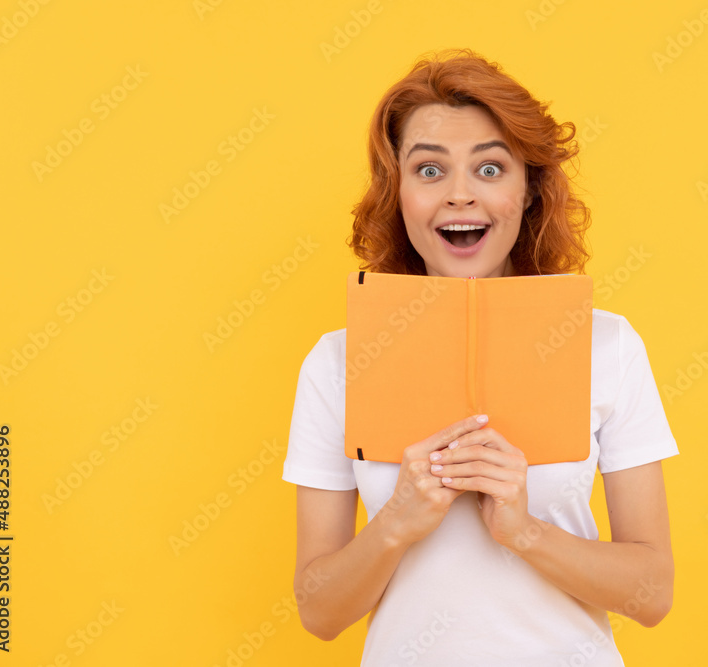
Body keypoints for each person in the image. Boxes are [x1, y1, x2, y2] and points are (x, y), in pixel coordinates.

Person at [282, 48, 679, 666]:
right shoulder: (337, 361)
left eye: (490, 170)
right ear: (398, 192)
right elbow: (319, 612)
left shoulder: (608, 344)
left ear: (528, 192)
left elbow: (652, 595)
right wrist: (396, 522)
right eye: (430, 171)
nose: (460, 196)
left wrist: (524, 532)